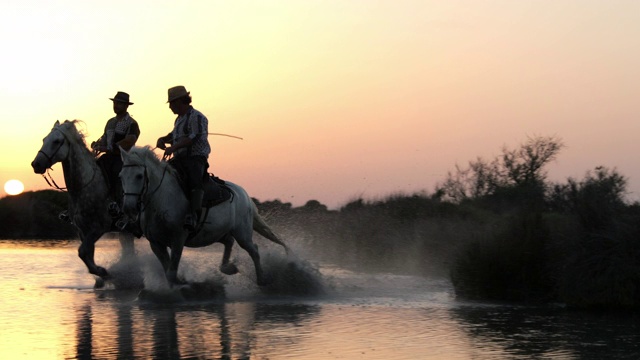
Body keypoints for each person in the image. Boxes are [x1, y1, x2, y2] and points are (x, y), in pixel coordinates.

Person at [156, 85, 211, 231]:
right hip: (179, 159)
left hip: (195, 158)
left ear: (181, 101)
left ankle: (193, 215)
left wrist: (174, 147)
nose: (170, 107)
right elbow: (173, 135)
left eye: (172, 103)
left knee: (194, 180)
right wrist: (163, 139)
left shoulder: (198, 117)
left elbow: (193, 137)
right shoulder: (179, 120)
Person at [91, 91, 141, 214]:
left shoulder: (132, 124)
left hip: (122, 158)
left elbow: (129, 141)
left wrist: (108, 148)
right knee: (92, 172)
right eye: (115, 103)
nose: (116, 105)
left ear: (126, 106)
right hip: (108, 157)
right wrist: (97, 144)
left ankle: (120, 208)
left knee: (117, 176)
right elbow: (104, 138)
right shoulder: (110, 122)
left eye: (119, 103)